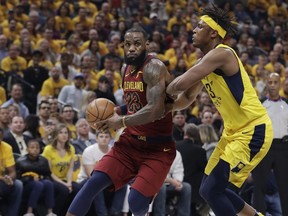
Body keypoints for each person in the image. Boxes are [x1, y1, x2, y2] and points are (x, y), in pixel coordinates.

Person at [166, 4, 273, 216]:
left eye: (199, 26)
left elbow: (179, 85)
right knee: (208, 189)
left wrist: (159, 92)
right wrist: (164, 107)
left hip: (253, 129)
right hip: (233, 133)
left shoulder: (223, 54)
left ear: (213, 32)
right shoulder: (204, 62)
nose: (193, 30)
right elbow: (187, 97)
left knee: (215, 190)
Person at [67, 26, 176, 216]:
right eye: (127, 44)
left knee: (135, 201)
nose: (132, 48)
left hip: (158, 149)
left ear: (146, 45)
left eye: (137, 44)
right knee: (92, 183)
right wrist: (114, 112)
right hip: (129, 143)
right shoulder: (126, 68)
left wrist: (121, 122)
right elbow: (133, 105)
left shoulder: (153, 67)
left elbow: (155, 109)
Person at [252, 73, 288, 216]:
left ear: (280, 84)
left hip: (284, 147)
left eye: (275, 82)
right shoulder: (260, 105)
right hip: (264, 146)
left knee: (285, 187)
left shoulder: (286, 105)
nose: (272, 85)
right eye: (270, 82)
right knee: (258, 185)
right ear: (266, 84)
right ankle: (258, 214)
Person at [77, 130, 127, 216]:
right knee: (97, 183)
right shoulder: (89, 151)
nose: (104, 139)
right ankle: (102, 214)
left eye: (106, 137)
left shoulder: (114, 151)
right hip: (85, 180)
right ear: (96, 138)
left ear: (110, 138)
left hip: (107, 180)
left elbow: (116, 172)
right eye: (101, 136)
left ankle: (115, 213)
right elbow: (91, 175)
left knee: (123, 185)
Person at [42, 123, 80, 216]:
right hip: (51, 179)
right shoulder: (48, 149)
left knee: (78, 188)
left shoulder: (71, 148)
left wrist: (69, 183)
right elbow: (49, 172)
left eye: (66, 133)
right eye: (61, 133)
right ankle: (56, 213)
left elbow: (70, 168)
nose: (64, 135)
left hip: (65, 179)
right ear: (56, 135)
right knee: (64, 190)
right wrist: (65, 184)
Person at [16, 139, 56, 216]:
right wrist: (30, 177)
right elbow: (18, 178)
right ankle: (29, 212)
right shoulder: (21, 161)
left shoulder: (43, 160)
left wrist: (40, 177)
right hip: (27, 184)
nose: (35, 150)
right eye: (32, 147)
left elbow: (48, 175)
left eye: (37, 148)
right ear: (27, 149)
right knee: (38, 185)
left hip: (40, 181)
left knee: (49, 183)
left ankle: (50, 212)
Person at [153, 150, 191, 216]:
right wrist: (170, 180)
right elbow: (155, 175)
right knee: (161, 187)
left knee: (186, 187)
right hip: (156, 183)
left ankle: (183, 214)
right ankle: (159, 214)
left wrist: (178, 182)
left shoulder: (177, 154)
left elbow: (179, 170)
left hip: (170, 183)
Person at [0, 127, 23, 216]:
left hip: (2, 180)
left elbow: (12, 171)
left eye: (0, 137)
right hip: (1, 179)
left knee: (18, 185)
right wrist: (3, 178)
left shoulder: (6, 147)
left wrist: (9, 178)